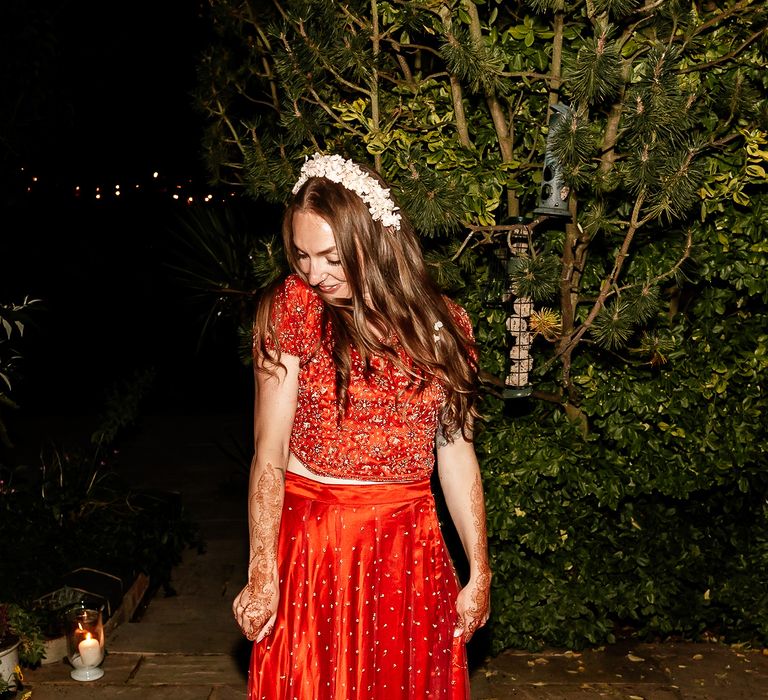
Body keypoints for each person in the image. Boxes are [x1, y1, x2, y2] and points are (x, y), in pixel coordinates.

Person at [232, 153, 491, 700]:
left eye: (330, 256)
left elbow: (456, 452)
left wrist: (479, 567)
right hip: (315, 546)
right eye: (302, 255)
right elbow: (269, 451)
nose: (314, 273)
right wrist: (261, 569)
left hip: (410, 550)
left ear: (371, 240)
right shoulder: (293, 310)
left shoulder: (441, 323)